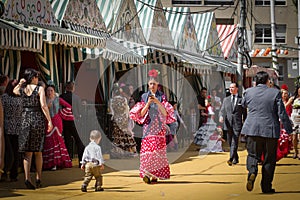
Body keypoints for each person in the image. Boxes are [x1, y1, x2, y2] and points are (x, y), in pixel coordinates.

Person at [241, 71, 292, 193]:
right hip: (270, 129)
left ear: (256, 81)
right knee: (269, 159)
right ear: (267, 81)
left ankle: (252, 172)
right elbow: (282, 113)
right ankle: (266, 186)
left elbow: (243, 104)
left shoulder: (248, 92)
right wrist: (288, 129)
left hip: (252, 128)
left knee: (253, 154)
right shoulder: (275, 93)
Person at [130, 69, 176, 184]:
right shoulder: (145, 96)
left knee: (157, 152)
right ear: (148, 84)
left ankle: (155, 175)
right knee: (147, 151)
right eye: (151, 84)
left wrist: (157, 101)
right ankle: (147, 173)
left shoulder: (162, 96)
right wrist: (149, 103)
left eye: (154, 84)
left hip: (159, 128)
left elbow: (165, 113)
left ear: (158, 85)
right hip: (148, 127)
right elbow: (141, 114)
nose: (152, 86)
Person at [13, 68, 53, 189]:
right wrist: (49, 121)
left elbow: (15, 91)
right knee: (38, 152)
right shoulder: (39, 89)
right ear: (33, 77)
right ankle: (38, 178)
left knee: (27, 153)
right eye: (36, 77)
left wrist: (20, 83)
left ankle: (27, 178)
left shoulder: (23, 89)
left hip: (25, 119)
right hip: (37, 119)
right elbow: (43, 105)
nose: (37, 79)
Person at [42, 84, 72, 170]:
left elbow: (69, 106)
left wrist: (61, 113)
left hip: (57, 122)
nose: (49, 92)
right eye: (48, 90)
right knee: (49, 141)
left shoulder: (58, 99)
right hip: (47, 122)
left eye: (51, 90)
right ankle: (50, 163)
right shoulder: (43, 100)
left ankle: (58, 163)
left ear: (54, 91)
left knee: (57, 140)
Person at [219, 82, 247, 166]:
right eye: (230, 88)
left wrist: (245, 124)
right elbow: (222, 110)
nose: (231, 89)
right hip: (228, 124)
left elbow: (244, 114)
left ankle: (231, 158)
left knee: (235, 141)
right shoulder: (226, 100)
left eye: (232, 87)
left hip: (237, 124)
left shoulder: (241, 100)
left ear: (237, 89)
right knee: (230, 141)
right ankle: (236, 157)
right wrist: (221, 116)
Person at [1, 80, 23, 182]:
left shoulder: (4, 98)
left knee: (7, 152)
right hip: (18, 128)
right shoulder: (21, 98)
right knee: (16, 152)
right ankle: (14, 174)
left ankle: (5, 172)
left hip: (7, 127)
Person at [60, 81, 85, 166]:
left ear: (66, 88)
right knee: (79, 141)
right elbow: (80, 110)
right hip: (75, 121)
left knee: (67, 141)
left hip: (65, 121)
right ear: (73, 88)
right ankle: (80, 161)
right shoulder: (77, 98)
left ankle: (68, 160)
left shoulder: (62, 96)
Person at [109, 84, 137, 158]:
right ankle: (128, 150)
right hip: (124, 118)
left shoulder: (112, 100)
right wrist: (127, 117)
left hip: (116, 118)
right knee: (125, 133)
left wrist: (113, 116)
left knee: (117, 134)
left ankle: (119, 152)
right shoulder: (124, 99)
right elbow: (126, 109)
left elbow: (112, 111)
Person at [287, 84, 300, 159]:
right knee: (294, 137)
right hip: (294, 119)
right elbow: (286, 105)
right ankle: (296, 151)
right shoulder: (293, 98)